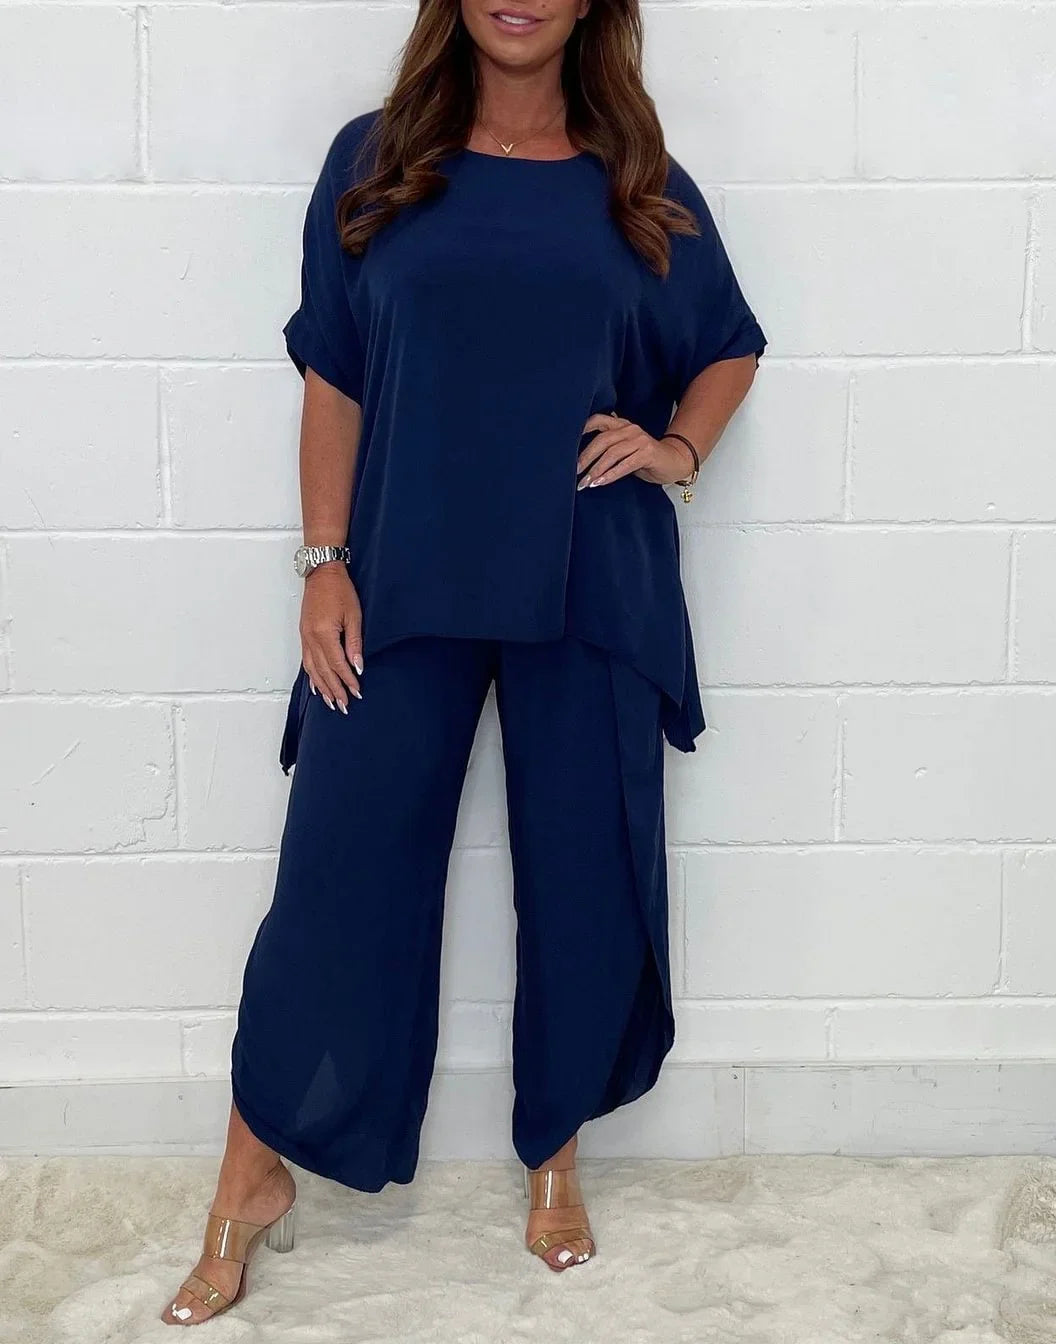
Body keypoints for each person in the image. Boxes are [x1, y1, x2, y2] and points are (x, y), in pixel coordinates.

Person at [161, 0, 766, 1324]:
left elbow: (729, 345)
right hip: (404, 577)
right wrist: (324, 565)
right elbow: (333, 373)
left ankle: (554, 1158)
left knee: (582, 873)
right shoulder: (377, 159)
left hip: (587, 576)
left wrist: (675, 451)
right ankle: (253, 1172)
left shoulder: (637, 180)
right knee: (339, 871)